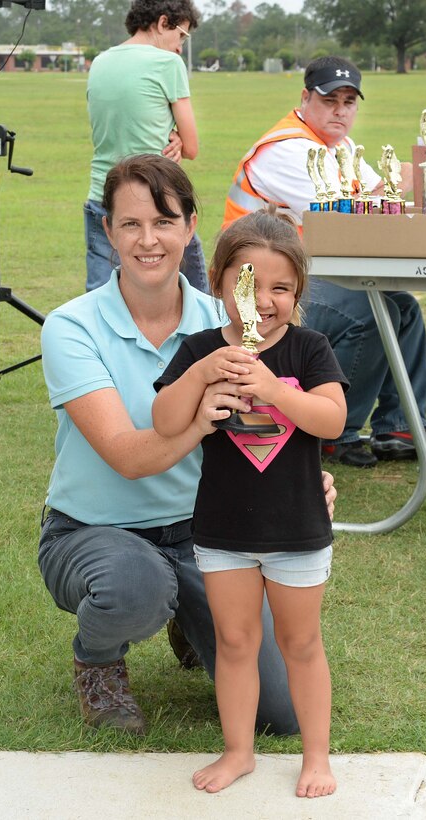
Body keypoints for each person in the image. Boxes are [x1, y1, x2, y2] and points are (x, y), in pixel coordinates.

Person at [39, 154, 336, 738]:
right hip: (95, 531)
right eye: (130, 224)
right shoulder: (71, 327)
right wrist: (201, 414)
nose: (148, 240)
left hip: (209, 535)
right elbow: (127, 456)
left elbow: (283, 415)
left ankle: (186, 616)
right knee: (137, 583)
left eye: (164, 222)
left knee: (281, 712)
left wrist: (304, 481)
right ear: (108, 230)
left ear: (191, 226)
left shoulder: (226, 318)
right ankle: (98, 663)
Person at [152, 209, 346, 797]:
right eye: (246, 284)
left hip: (298, 529)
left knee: (301, 643)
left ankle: (316, 757)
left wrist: (269, 390)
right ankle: (239, 751)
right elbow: (163, 422)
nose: (262, 300)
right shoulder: (201, 347)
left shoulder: (309, 349)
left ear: (298, 293)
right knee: (235, 643)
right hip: (222, 530)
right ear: (217, 283)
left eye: (280, 288)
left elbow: (332, 420)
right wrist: (204, 376)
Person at [223, 55, 426, 468]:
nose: (340, 110)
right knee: (370, 314)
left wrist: (403, 186)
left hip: (295, 282)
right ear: (305, 98)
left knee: (403, 305)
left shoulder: (339, 146)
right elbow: (361, 209)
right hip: (256, 296)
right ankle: (337, 430)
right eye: (329, 99)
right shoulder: (288, 149)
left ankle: (400, 426)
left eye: (349, 102)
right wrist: (415, 176)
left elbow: (380, 202)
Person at [84, 0, 208, 293]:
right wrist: (178, 137)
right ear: (163, 22)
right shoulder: (168, 63)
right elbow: (191, 147)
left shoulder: (100, 62)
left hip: (101, 195)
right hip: (155, 196)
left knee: (101, 296)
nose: (180, 47)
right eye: (181, 36)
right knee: (197, 296)